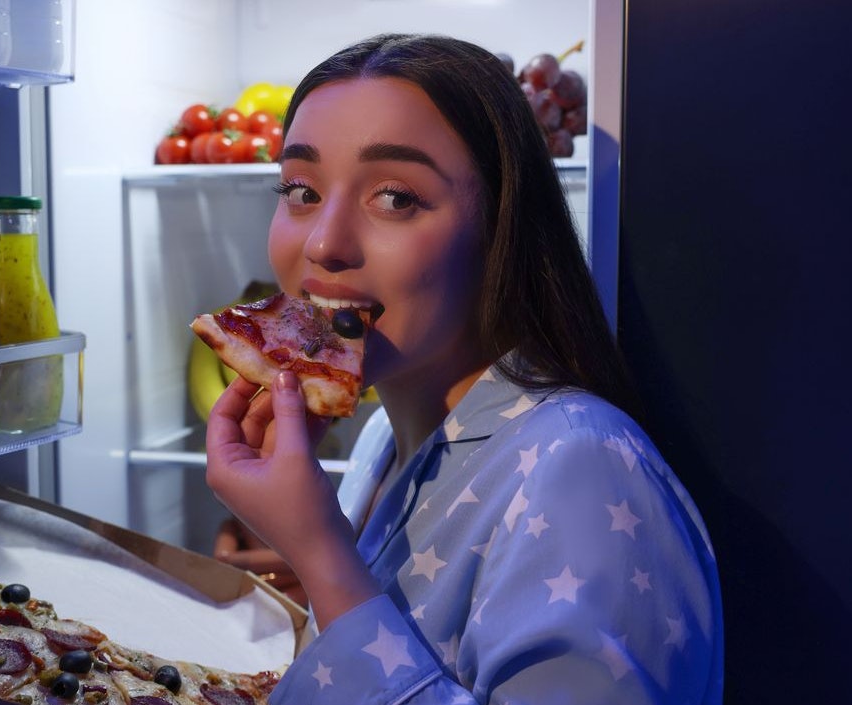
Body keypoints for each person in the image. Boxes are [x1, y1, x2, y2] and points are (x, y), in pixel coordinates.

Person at [204, 33, 723, 704]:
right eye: (300, 189)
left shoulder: (584, 464)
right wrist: (304, 556)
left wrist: (321, 554)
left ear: (500, 231)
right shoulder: (382, 437)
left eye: (395, 197)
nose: (324, 241)